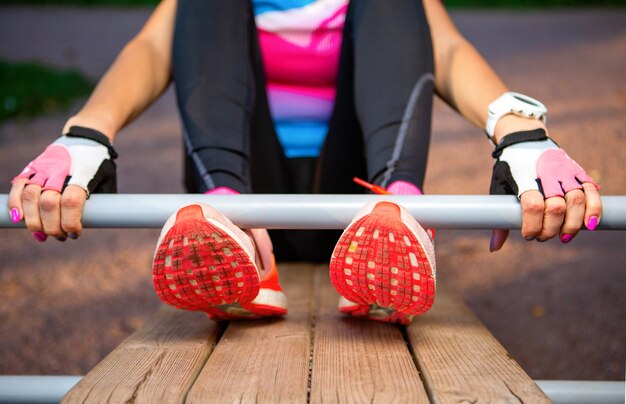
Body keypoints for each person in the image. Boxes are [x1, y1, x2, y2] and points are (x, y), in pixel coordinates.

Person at [7, 0, 602, 324]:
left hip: (358, 206)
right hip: (247, 206)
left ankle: (398, 216)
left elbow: (442, 46)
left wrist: (522, 136)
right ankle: (228, 226)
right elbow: (154, 46)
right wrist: (86, 135)